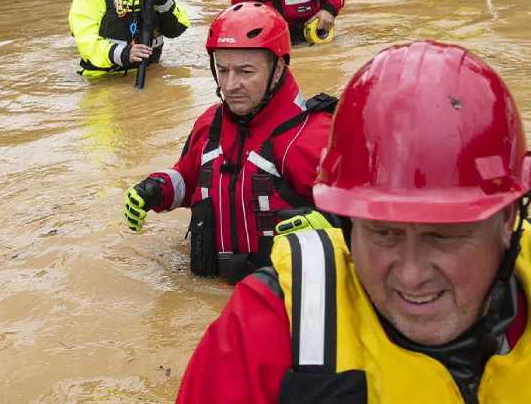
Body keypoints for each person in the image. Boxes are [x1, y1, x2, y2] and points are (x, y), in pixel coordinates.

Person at [176, 40, 531, 404]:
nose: (411, 276)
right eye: (382, 233)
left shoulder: (302, 138)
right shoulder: (266, 329)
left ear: (509, 219)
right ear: (346, 224)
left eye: (443, 236)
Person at [123, 2, 337, 284]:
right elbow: (189, 181)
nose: (231, 84)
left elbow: (374, 228)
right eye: (222, 70)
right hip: (209, 291)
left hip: (278, 300)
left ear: (277, 69)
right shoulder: (209, 123)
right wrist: (158, 189)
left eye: (245, 72)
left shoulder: (314, 136)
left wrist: (335, 227)